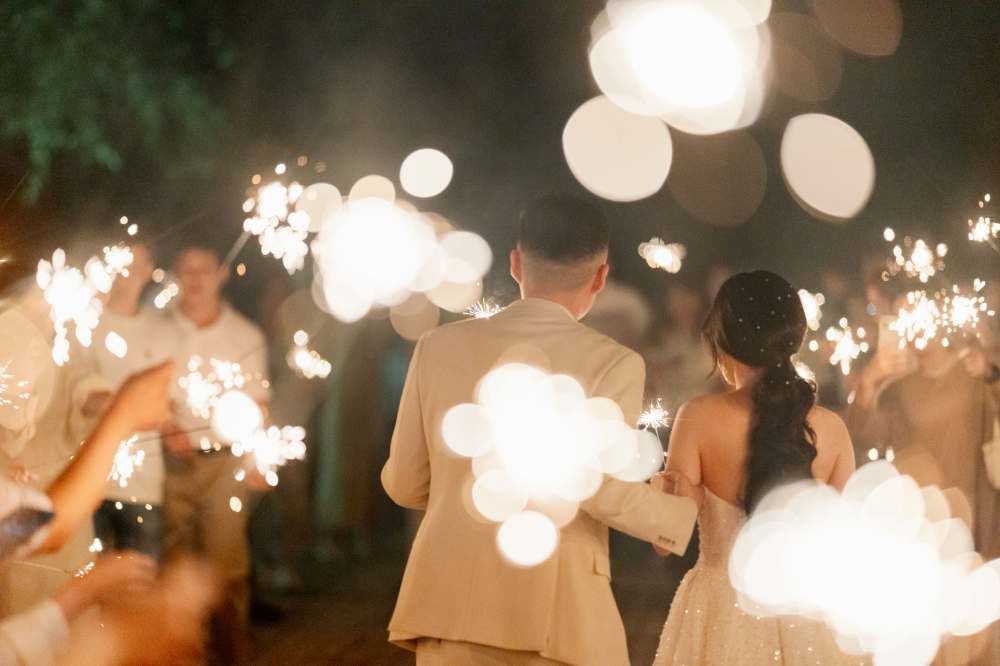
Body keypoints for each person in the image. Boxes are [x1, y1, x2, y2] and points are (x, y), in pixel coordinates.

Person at [382, 192, 699, 666]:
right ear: (600, 276)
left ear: (515, 264)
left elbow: (404, 482)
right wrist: (676, 516)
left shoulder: (437, 345)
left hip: (449, 605)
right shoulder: (613, 363)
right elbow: (599, 487)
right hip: (554, 613)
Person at [653, 270, 867, 666]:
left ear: (721, 340)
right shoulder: (832, 430)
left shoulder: (696, 417)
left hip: (719, 612)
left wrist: (659, 493)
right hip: (809, 615)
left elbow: (666, 542)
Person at [161, 239, 269, 665]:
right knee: (174, 565)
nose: (195, 279)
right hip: (169, 464)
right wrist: (168, 427)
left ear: (222, 274)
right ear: (175, 275)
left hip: (224, 463)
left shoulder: (245, 335)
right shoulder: (158, 330)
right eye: (186, 269)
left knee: (226, 565)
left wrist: (257, 457)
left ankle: (229, 653)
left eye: (204, 269)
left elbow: (257, 403)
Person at [82, 241, 177, 559]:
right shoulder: (82, 324)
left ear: (149, 271)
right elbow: (73, 394)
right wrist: (124, 407)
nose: (126, 275)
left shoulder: (164, 331)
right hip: (85, 475)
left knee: (139, 586)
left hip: (142, 483)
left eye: (135, 266)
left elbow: (170, 401)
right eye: (121, 265)